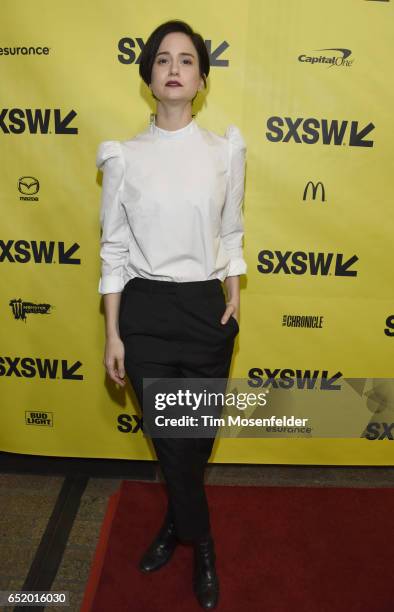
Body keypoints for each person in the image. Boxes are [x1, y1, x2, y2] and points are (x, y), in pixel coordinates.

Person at [96, 19, 247, 610]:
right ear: (149, 78)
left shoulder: (224, 151)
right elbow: (112, 250)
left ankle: (174, 524)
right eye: (163, 59)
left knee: (195, 443)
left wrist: (233, 285)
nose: (175, 67)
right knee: (171, 441)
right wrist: (112, 330)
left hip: (208, 310)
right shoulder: (124, 158)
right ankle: (201, 543)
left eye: (187, 59)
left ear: (202, 79)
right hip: (146, 313)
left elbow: (231, 229)